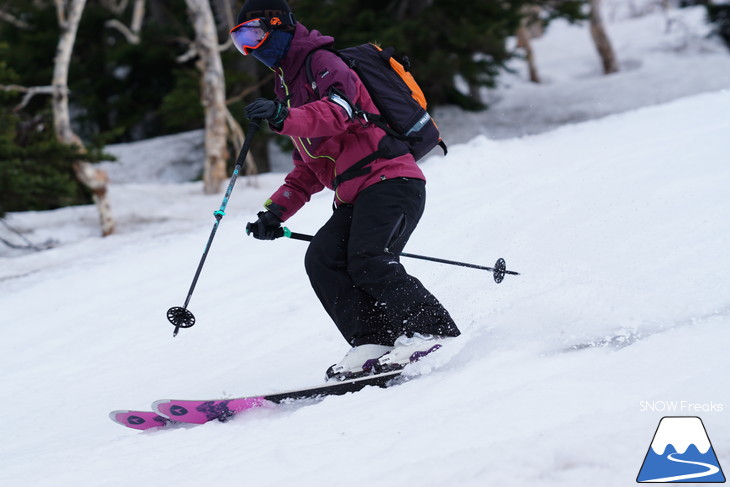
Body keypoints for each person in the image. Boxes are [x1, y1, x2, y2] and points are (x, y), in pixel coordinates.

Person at [230, 0, 460, 380]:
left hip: (391, 180)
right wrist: (274, 212)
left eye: (253, 34)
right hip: (356, 194)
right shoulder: (287, 85)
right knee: (322, 258)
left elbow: (339, 113)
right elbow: (308, 167)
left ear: (279, 26)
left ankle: (430, 330)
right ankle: (373, 340)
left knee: (368, 257)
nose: (250, 48)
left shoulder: (323, 63)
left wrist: (283, 117)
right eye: (240, 42)